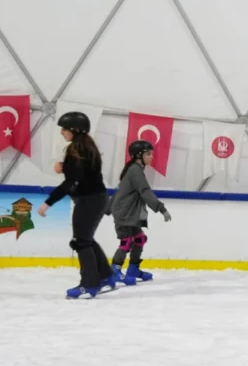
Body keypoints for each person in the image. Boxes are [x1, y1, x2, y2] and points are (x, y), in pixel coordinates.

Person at [37, 111, 114, 299]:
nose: (62, 132)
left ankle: (89, 285)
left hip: (89, 201)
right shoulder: (87, 148)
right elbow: (83, 173)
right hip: (97, 198)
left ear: (75, 130)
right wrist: (64, 167)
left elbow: (71, 183)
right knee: (86, 239)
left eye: (65, 129)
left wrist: (48, 203)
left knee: (81, 242)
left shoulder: (76, 150)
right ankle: (105, 276)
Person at [107, 140, 172, 285]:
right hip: (124, 213)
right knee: (126, 241)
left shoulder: (134, 169)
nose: (151, 157)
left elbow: (120, 189)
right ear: (138, 156)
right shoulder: (135, 170)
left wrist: (108, 207)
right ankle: (115, 270)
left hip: (129, 213)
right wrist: (161, 208)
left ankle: (133, 269)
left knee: (140, 239)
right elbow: (144, 191)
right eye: (148, 154)